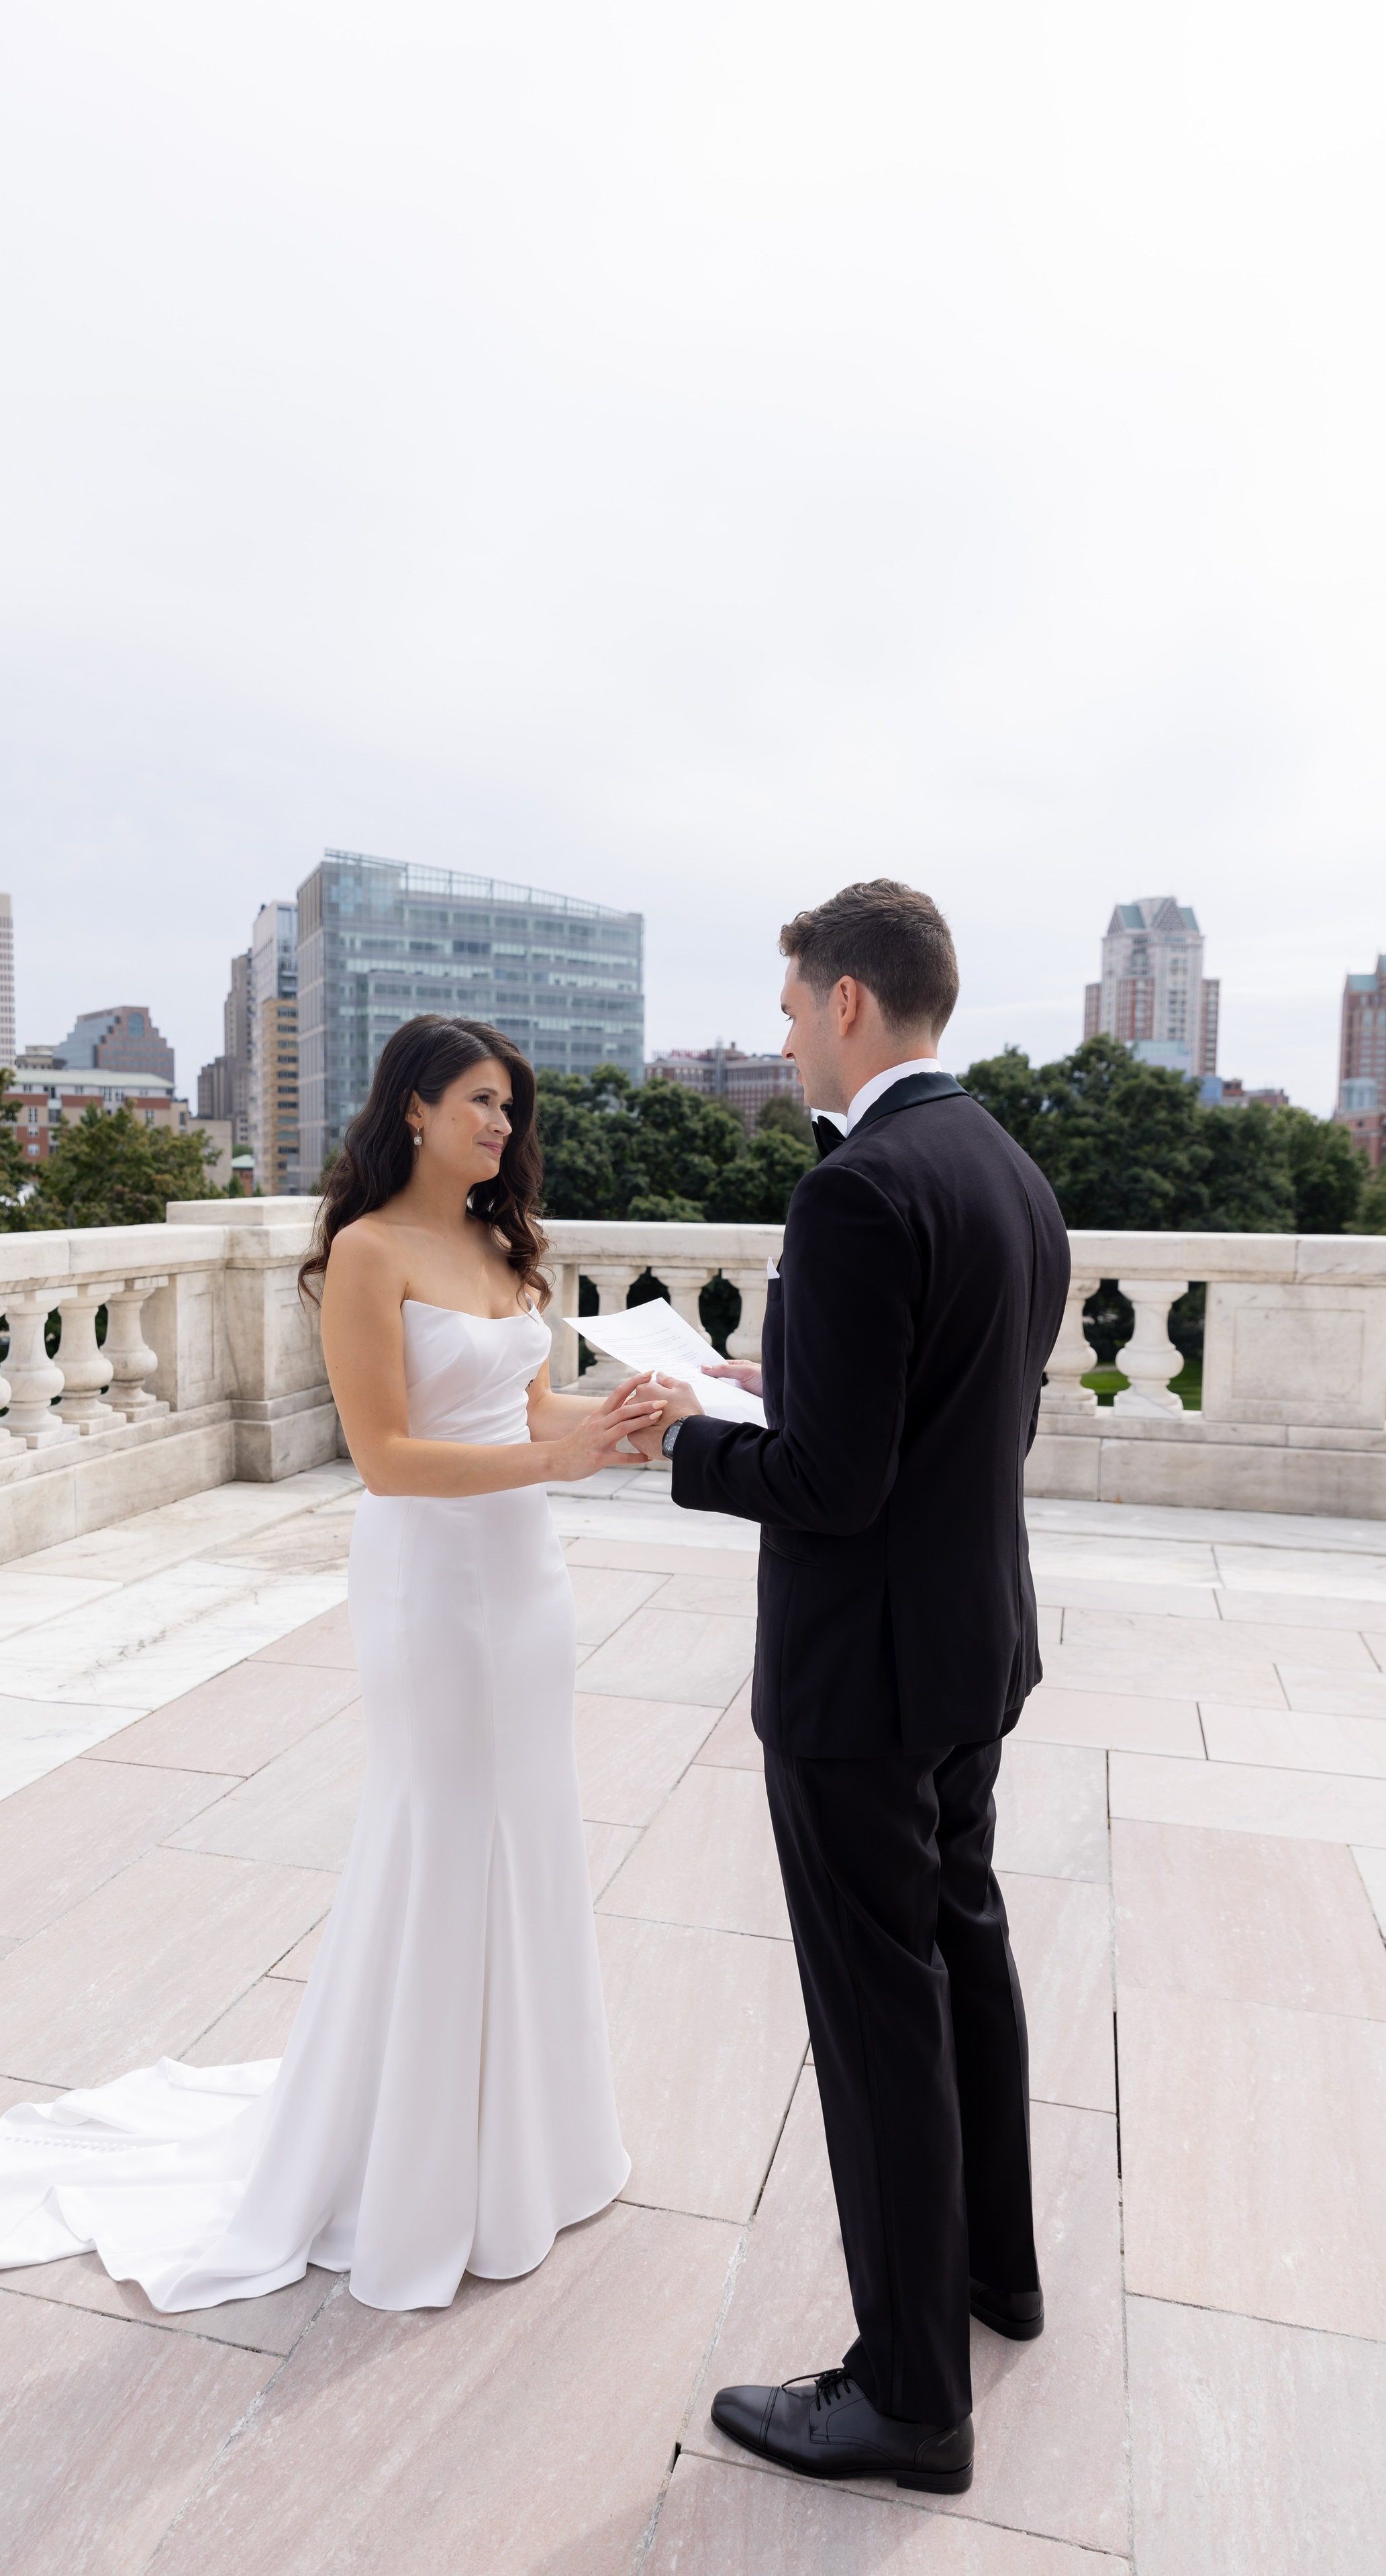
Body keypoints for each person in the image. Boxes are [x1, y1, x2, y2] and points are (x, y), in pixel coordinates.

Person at [0, 1015, 662, 2314]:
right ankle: (413, 2165)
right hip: (429, 1579)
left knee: (533, 1824)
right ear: (415, 1109)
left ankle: (529, 2148)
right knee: (444, 1828)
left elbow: (527, 1405)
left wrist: (615, 1420)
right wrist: (556, 1457)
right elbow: (386, 1456)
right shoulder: (369, 1251)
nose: (503, 1126)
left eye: (511, 1108)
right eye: (481, 1102)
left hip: (525, 1576)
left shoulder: (505, 1245)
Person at [632, 881, 1069, 2496]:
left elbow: (828, 1484)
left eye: (790, 1008)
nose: (785, 1040)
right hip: (968, 1644)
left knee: (879, 2014)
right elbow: (970, 1409)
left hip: (861, 1675)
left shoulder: (856, 1188)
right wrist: (789, 1377)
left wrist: (686, 1436)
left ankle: (906, 2395)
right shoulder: (1006, 1168)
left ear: (845, 1003)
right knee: (963, 1953)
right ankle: (995, 2272)